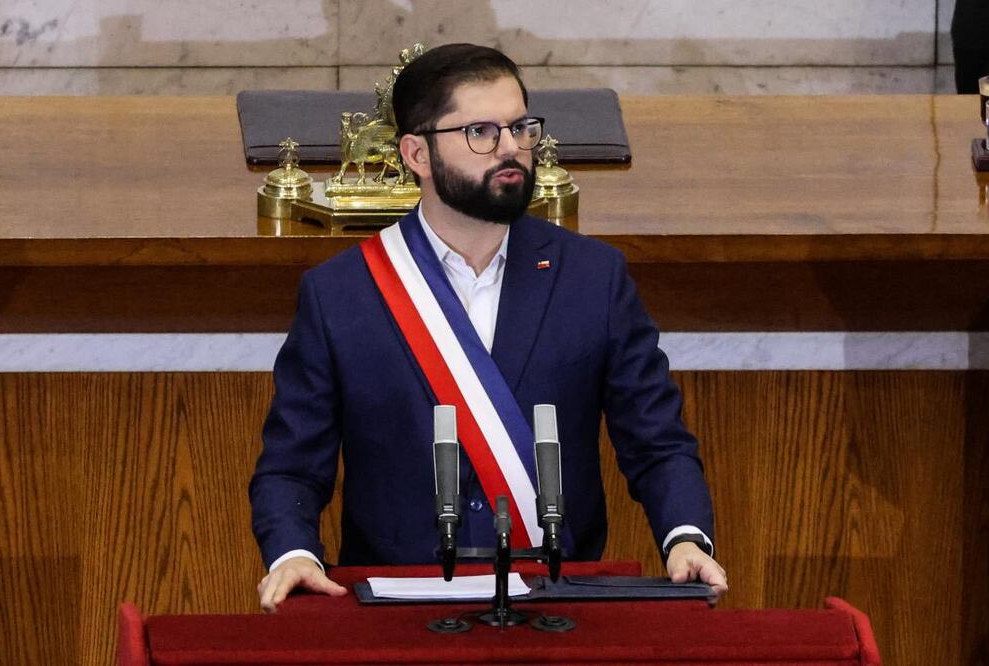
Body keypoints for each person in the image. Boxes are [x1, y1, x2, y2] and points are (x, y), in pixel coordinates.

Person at [250, 43, 727, 612]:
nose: (510, 148)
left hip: (555, 605)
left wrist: (684, 536)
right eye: (480, 131)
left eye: (520, 128)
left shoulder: (593, 278)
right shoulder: (341, 293)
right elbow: (291, 467)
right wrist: (294, 553)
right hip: (399, 605)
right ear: (417, 154)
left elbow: (657, 440)